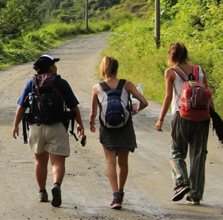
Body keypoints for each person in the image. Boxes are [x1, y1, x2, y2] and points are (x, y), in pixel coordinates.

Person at [12, 54, 84, 207]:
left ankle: (42, 192)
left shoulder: (31, 84)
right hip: (57, 126)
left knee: (40, 161)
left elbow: (21, 107)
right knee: (57, 162)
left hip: (36, 127)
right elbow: (73, 106)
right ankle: (56, 185)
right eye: (54, 64)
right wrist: (80, 124)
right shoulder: (61, 83)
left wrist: (15, 125)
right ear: (51, 67)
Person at [156, 42, 214, 205]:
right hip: (202, 117)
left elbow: (168, 97)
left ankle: (181, 183)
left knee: (176, 151)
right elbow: (208, 95)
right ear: (186, 54)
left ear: (171, 55)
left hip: (181, 116)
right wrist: (212, 116)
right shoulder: (200, 70)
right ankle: (196, 194)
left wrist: (160, 119)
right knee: (198, 155)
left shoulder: (171, 72)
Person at [89, 56, 148, 209]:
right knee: (123, 162)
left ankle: (115, 196)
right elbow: (144, 102)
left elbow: (93, 112)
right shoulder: (126, 84)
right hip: (125, 126)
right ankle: (121, 192)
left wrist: (91, 123)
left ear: (103, 69)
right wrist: (133, 111)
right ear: (116, 68)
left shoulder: (97, 87)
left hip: (107, 128)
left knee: (110, 161)